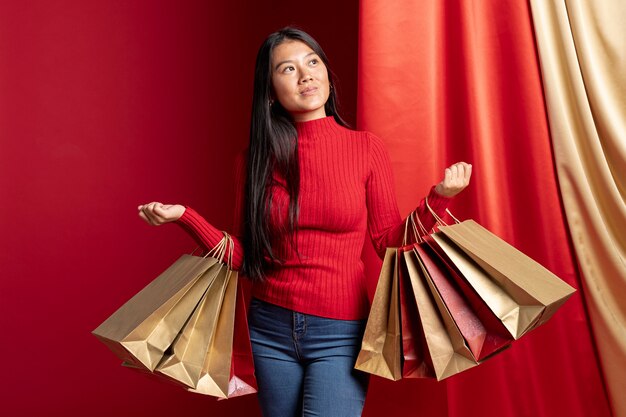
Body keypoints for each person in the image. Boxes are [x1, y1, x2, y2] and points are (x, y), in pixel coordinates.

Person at [138, 27, 471, 417]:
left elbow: (388, 241)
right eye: (288, 69)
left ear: (327, 73)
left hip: (341, 331)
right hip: (268, 329)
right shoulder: (253, 162)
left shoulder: (365, 148)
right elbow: (248, 254)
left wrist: (438, 199)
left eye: (312, 62)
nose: (306, 75)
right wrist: (185, 217)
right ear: (270, 91)